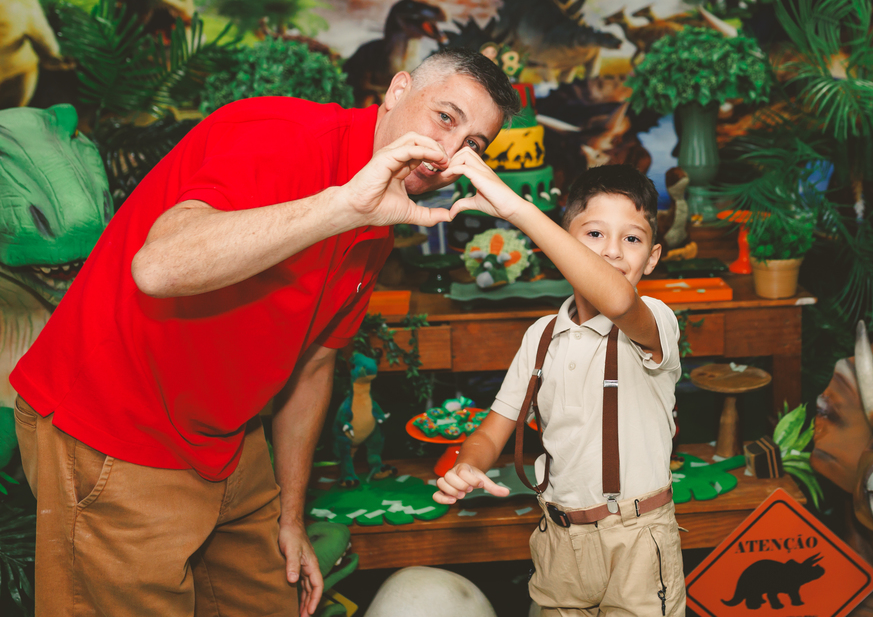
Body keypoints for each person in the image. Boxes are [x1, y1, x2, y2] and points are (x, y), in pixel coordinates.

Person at [9, 47, 519, 617]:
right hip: (114, 425)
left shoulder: (385, 207)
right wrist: (344, 206)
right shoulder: (285, 136)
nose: (450, 152)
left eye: (474, 145)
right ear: (397, 91)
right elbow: (157, 268)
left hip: (228, 439)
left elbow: (316, 362)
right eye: (445, 117)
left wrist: (291, 515)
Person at [434, 160, 685, 617]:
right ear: (563, 244)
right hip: (560, 540)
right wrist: (468, 465)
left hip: (637, 538)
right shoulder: (541, 335)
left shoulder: (655, 319)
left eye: (632, 239)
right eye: (594, 234)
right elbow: (494, 428)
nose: (612, 251)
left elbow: (618, 300)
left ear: (652, 258)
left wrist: (519, 212)